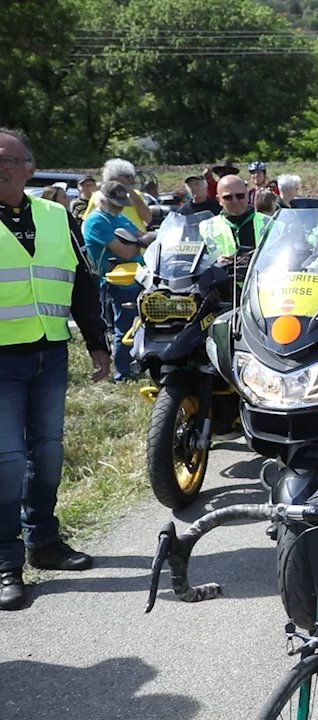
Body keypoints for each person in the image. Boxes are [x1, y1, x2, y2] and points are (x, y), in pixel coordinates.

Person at [0, 128, 111, 611]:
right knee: (6, 463)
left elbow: (82, 285)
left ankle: (43, 542)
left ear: (29, 166)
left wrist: (98, 344)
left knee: (46, 454)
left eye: (8, 158)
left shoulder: (56, 216)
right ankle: (6, 563)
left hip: (49, 352)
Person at [83, 181, 153, 382]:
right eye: (115, 204)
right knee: (125, 325)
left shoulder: (117, 217)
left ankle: (137, 364)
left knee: (139, 322)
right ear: (102, 199)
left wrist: (139, 241)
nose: (120, 208)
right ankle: (124, 372)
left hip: (137, 276)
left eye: (122, 204)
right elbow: (125, 251)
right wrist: (140, 242)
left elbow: (140, 235)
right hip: (117, 280)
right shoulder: (97, 221)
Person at [199, 174, 271, 260]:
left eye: (240, 196)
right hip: (222, 272)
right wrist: (214, 260)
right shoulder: (206, 227)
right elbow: (198, 261)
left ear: (248, 195)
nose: (235, 201)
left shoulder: (270, 223)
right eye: (228, 197)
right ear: (219, 200)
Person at [79, 158, 153, 232]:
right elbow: (87, 222)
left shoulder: (136, 194)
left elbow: (148, 218)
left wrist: (133, 194)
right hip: (114, 239)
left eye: (131, 176)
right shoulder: (99, 196)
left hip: (139, 237)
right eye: (127, 176)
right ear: (113, 176)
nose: (130, 179)